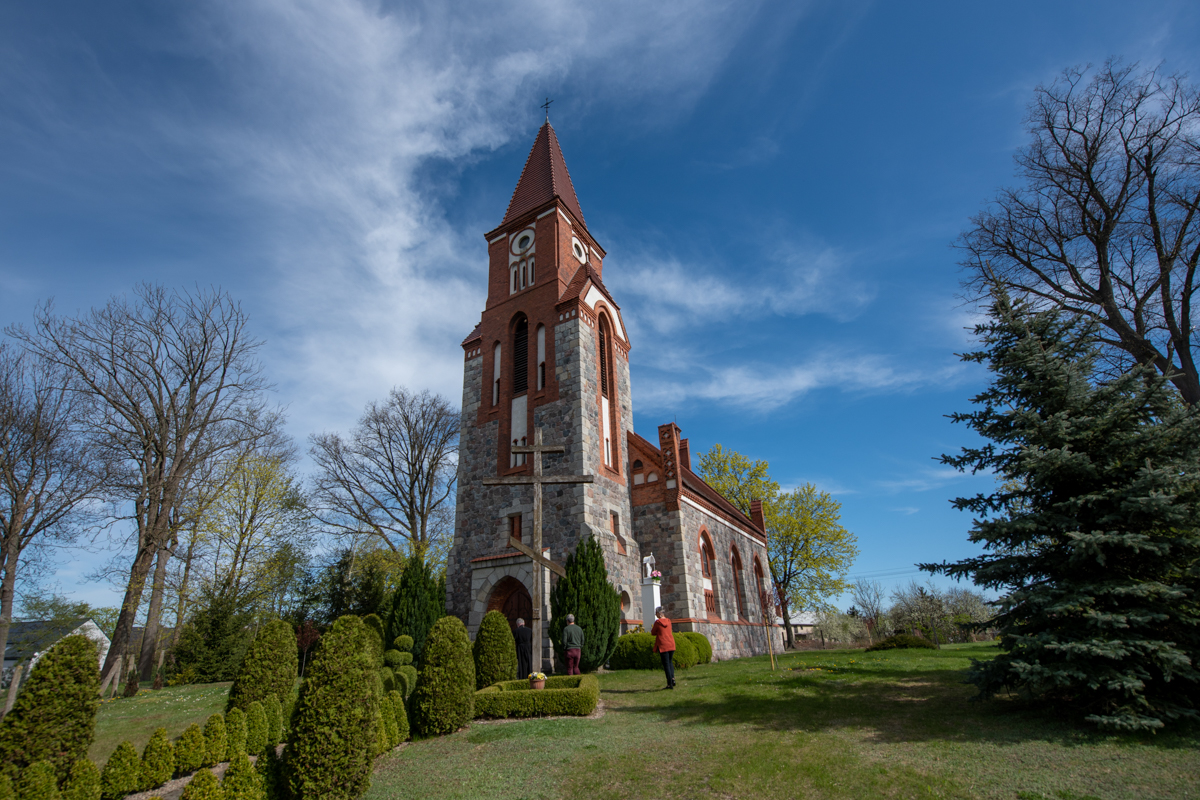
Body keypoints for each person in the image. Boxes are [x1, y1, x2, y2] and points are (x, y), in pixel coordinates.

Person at [651, 607, 676, 689]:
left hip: (663, 645)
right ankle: (672, 679)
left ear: (660, 613)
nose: (655, 614)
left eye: (656, 613)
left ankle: (669, 684)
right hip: (671, 644)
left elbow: (653, 632)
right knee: (670, 662)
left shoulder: (658, 622)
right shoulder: (669, 621)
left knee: (666, 665)